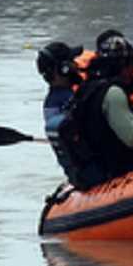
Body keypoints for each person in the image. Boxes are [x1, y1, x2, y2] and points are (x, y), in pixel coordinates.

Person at [57, 34, 133, 189]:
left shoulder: (88, 87)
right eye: (132, 67)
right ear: (124, 67)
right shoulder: (113, 93)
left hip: (95, 165)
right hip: (113, 169)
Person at [37, 40, 84, 181]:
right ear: (64, 69)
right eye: (71, 62)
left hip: (76, 168)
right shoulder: (68, 99)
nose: (76, 65)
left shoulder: (51, 101)